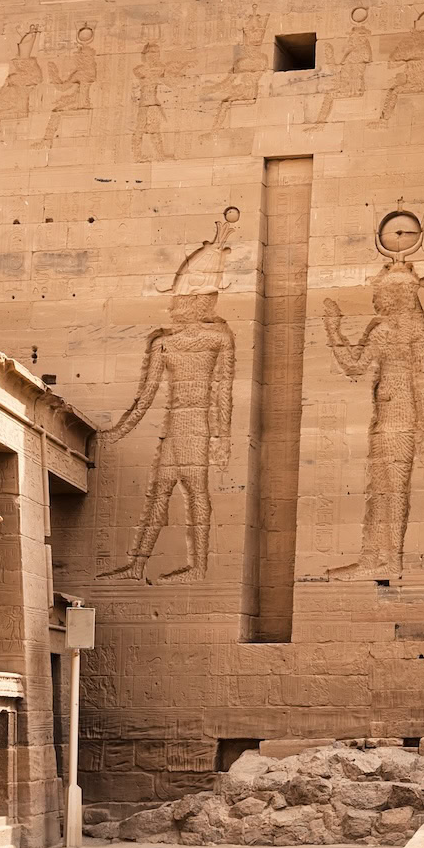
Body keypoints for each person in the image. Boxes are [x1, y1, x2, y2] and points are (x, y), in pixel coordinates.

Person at [100, 211, 238, 581]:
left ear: (196, 303)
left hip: (196, 426)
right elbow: (145, 398)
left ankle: (199, 566)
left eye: (181, 299)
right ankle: (138, 564)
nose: (175, 306)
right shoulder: (166, 343)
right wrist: (116, 433)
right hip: (177, 427)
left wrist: (222, 438)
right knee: (160, 493)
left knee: (196, 493)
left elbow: (224, 392)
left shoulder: (217, 339)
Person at [322, 212, 424, 575]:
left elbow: (422, 380)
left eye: (382, 291)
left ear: (398, 293)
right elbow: (356, 365)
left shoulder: (410, 327)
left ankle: (390, 559)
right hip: (386, 415)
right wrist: (333, 330)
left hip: (401, 415)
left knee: (393, 489)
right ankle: (375, 558)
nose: (377, 297)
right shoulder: (384, 328)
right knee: (379, 487)